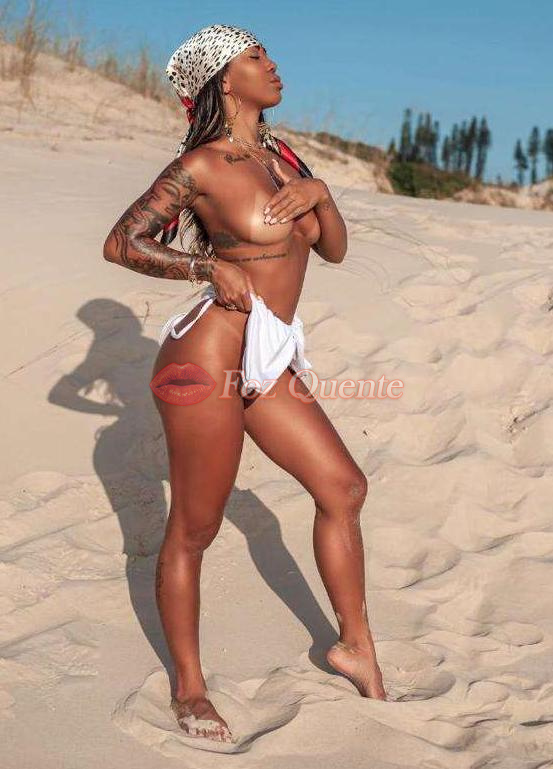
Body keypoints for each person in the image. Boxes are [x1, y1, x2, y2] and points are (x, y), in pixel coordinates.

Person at [103, 23, 386, 744]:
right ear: (225, 79)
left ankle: (354, 647)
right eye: (256, 56)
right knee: (195, 527)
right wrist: (206, 267)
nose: (274, 64)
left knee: (343, 488)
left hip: (268, 352)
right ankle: (189, 687)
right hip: (204, 357)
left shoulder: (283, 157)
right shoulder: (200, 165)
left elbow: (332, 249)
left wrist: (321, 192)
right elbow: (122, 241)